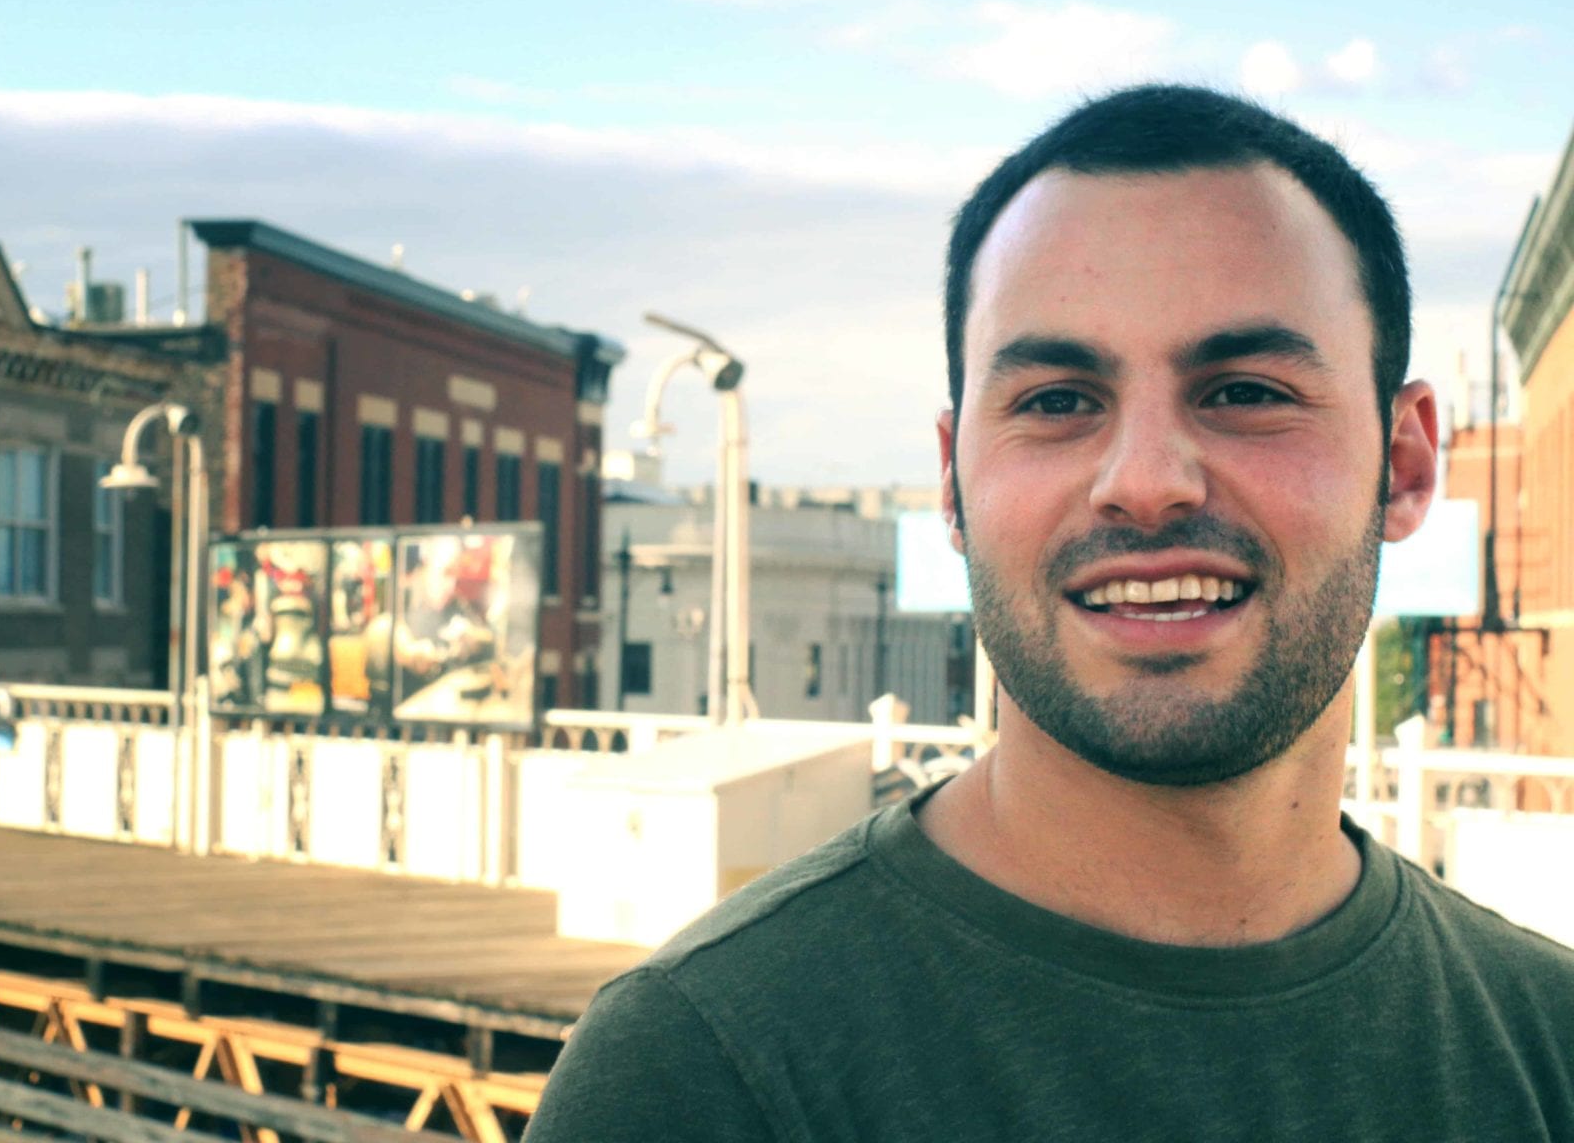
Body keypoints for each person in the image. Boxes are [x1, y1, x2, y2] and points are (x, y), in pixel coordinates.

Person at [523, 84, 1574, 1141]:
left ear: (1402, 464)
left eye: (1244, 391)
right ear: (949, 482)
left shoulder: (1550, 1049)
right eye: (1057, 401)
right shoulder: (699, 1074)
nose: (1146, 481)